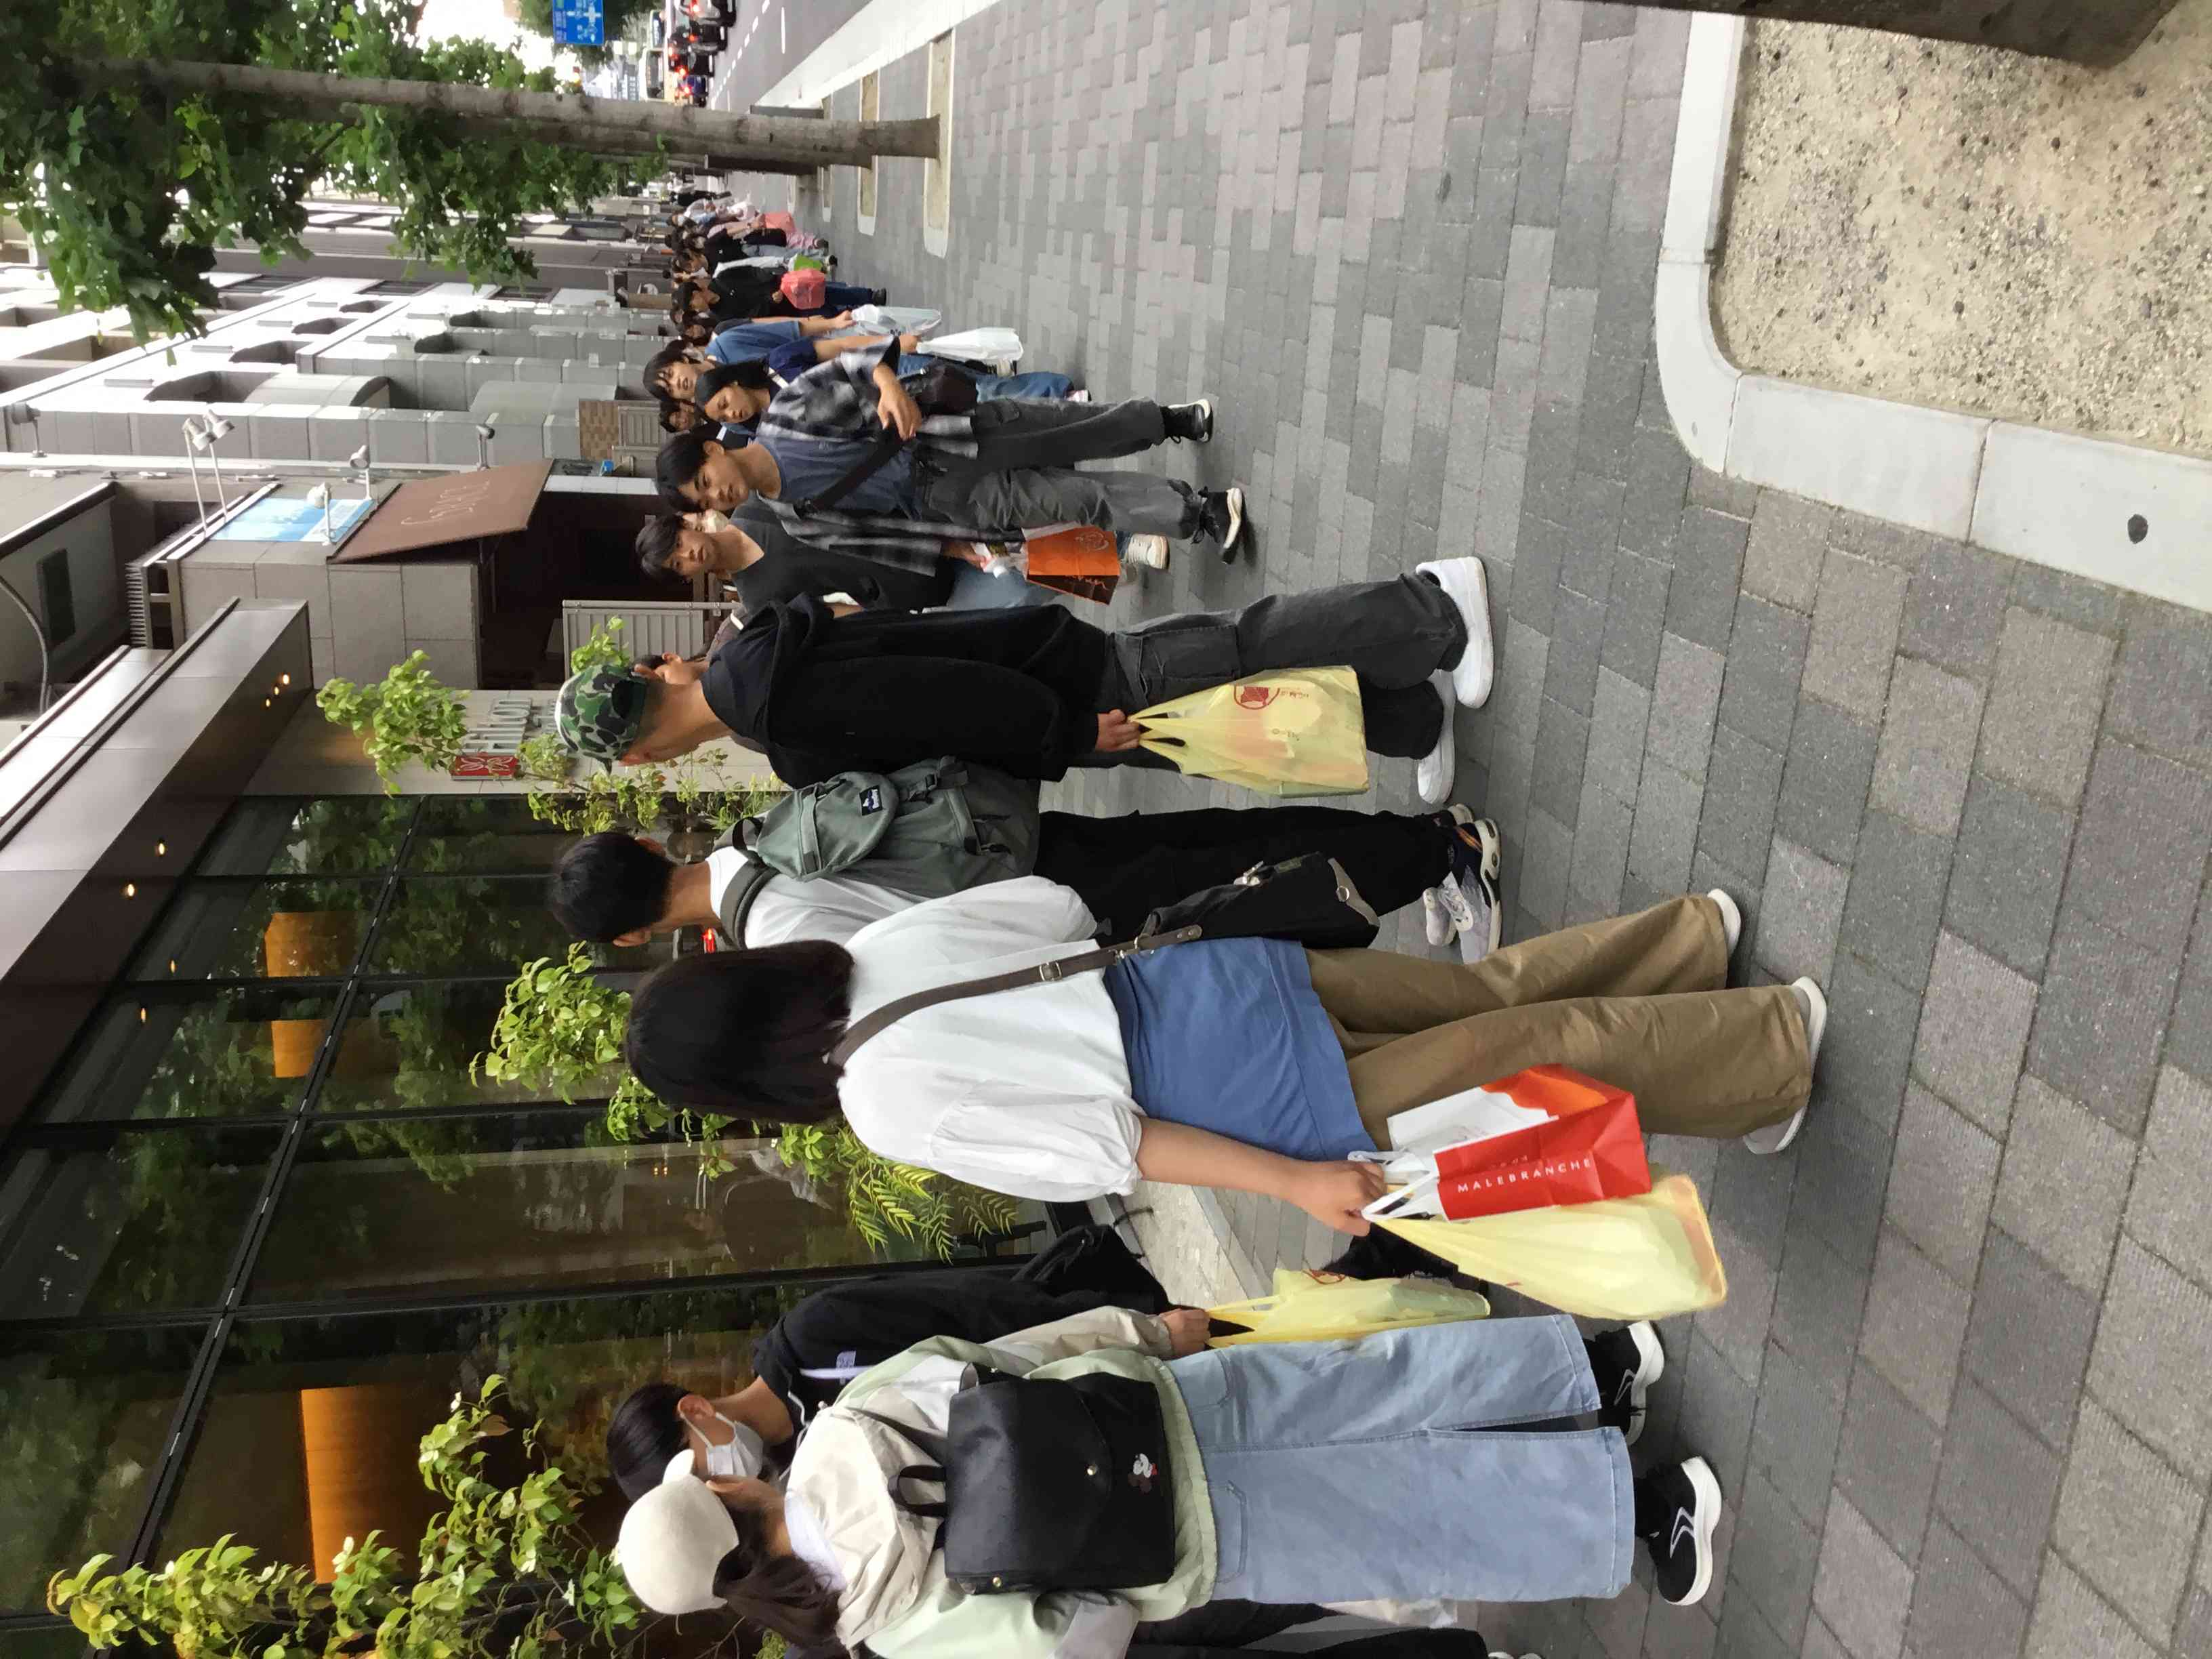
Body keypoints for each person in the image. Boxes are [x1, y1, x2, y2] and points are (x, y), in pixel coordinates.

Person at [611, 1313, 1721, 1658]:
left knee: (1407, 1519)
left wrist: (1123, 1581)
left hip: (1180, 1538)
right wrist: (1139, 1333)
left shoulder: (886, 1627)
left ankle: (1638, 1512)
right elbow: (1007, 1355)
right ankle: (1593, 1365)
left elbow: (1071, 1642)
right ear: (724, 1492)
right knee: (1373, 1381)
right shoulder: (851, 1420)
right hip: (1151, 1406)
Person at [550, 557, 1496, 804]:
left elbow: (938, 701)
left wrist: (1068, 734)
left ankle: (1432, 609)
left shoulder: (775, 715)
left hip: (1057, 689)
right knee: (1241, 714)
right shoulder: (754, 656)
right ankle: (1412, 716)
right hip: (1039, 668)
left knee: (1242, 653)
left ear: (641, 758)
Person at [546, 794, 1504, 955]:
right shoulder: (755, 834)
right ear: (646, 847)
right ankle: (1418, 838)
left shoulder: (774, 940)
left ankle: (1443, 854)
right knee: (1225, 837)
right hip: (1018, 843)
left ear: (629, 937)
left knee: (1246, 886)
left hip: (1043, 910)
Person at [605, 1229, 1175, 1499]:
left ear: (696, 1411)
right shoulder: (798, 1484)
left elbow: (973, 1307)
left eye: (700, 1470)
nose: (718, 1483)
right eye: (704, 1491)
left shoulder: (812, 1338)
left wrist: (1126, 1326)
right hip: (1073, 1462)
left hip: (1090, 1364)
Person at [652, 337, 1244, 558]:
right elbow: (879, 539)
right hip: (949, 501)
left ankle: (1165, 420)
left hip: (949, 434)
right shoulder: (793, 517)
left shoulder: (786, 417)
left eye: (705, 482)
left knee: (1073, 428)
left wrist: (888, 384)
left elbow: (852, 367)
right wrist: (962, 548)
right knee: (1078, 501)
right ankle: (1196, 512)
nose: (718, 496)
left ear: (712, 453)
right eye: (706, 502)